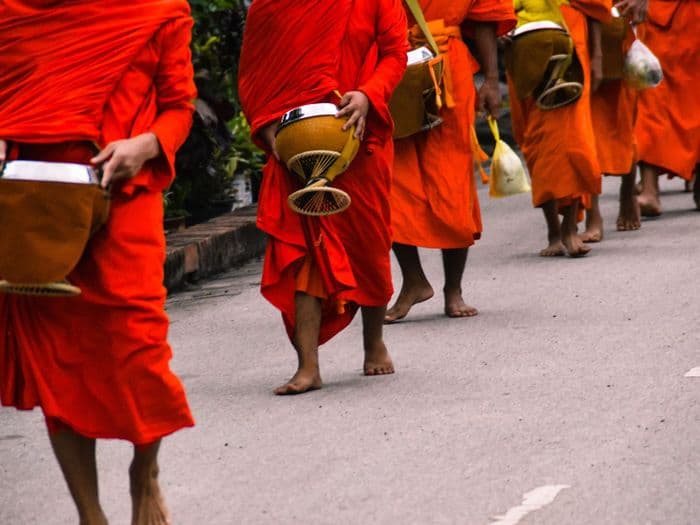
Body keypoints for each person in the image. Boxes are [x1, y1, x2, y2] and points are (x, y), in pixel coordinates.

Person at [0, 2, 197, 524]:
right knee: (57, 361)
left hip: (124, 195)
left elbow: (179, 106)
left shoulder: (157, 12)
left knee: (140, 346)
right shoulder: (17, 11)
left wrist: (147, 145)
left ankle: (143, 471)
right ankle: (90, 515)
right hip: (34, 202)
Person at [238, 0, 407, 395]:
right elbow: (253, 77)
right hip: (296, 141)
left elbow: (394, 52)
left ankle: (373, 341)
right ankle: (308, 366)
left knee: (368, 242)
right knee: (305, 252)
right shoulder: (270, 6)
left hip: (359, 137)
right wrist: (268, 134)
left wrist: (368, 93)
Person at [385, 0, 516, 323]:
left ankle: (453, 289)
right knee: (392, 183)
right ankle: (413, 280)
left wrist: (490, 79)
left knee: (452, 179)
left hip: (450, 70)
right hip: (392, 68)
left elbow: (486, 17)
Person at [507, 0, 611, 257]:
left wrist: (597, 55)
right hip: (521, 51)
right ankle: (553, 229)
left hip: (568, 46)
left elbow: (595, 6)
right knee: (534, 142)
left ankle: (569, 228)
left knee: (571, 138)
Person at [583, 0, 648, 239]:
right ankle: (592, 213)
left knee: (621, 122)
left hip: (614, 28)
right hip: (572, 27)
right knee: (583, 131)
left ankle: (627, 192)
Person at [634, 0, 700, 215]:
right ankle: (650, 190)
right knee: (652, 98)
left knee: (682, 99)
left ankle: (655, 189)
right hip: (661, 18)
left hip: (685, 17)